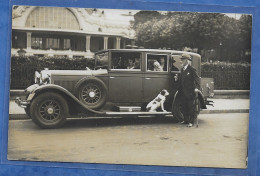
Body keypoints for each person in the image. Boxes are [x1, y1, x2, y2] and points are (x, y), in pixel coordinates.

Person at [174, 53, 200, 127]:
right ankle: (186, 120)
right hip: (182, 92)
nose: (181, 61)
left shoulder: (192, 69)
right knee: (184, 107)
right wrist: (176, 80)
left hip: (190, 92)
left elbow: (197, 79)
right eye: (181, 59)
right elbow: (181, 81)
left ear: (187, 60)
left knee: (190, 107)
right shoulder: (182, 69)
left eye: (182, 60)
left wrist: (196, 88)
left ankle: (191, 122)